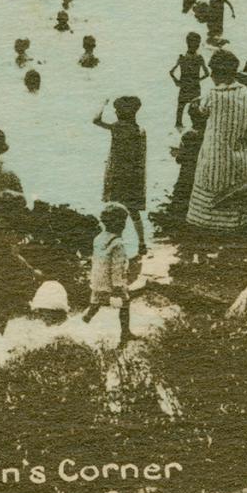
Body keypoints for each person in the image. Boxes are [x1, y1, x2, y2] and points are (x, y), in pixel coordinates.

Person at [186, 49, 247, 232]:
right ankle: (231, 224)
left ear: (217, 73)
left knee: (209, 185)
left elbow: (200, 111)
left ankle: (205, 223)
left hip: (213, 153)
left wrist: (195, 105)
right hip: (237, 155)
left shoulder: (212, 94)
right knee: (235, 188)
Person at [83, 203, 144, 345]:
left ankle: (84, 321)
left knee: (95, 304)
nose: (124, 225)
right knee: (125, 304)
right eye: (123, 222)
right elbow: (117, 267)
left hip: (98, 280)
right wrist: (117, 287)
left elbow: (98, 261)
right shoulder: (118, 244)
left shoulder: (98, 238)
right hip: (112, 282)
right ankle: (125, 333)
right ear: (120, 224)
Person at [94, 96, 147, 219]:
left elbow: (96, 120)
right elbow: (141, 157)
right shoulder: (139, 130)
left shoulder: (116, 127)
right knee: (134, 212)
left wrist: (103, 103)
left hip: (116, 173)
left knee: (113, 206)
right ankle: (141, 238)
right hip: (133, 175)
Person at [170, 32, 208, 128]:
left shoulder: (182, 58)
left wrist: (177, 81)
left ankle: (179, 125)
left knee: (181, 109)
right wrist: (198, 80)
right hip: (194, 86)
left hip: (185, 86)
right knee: (194, 109)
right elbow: (207, 73)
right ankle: (194, 126)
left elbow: (171, 72)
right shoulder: (199, 58)